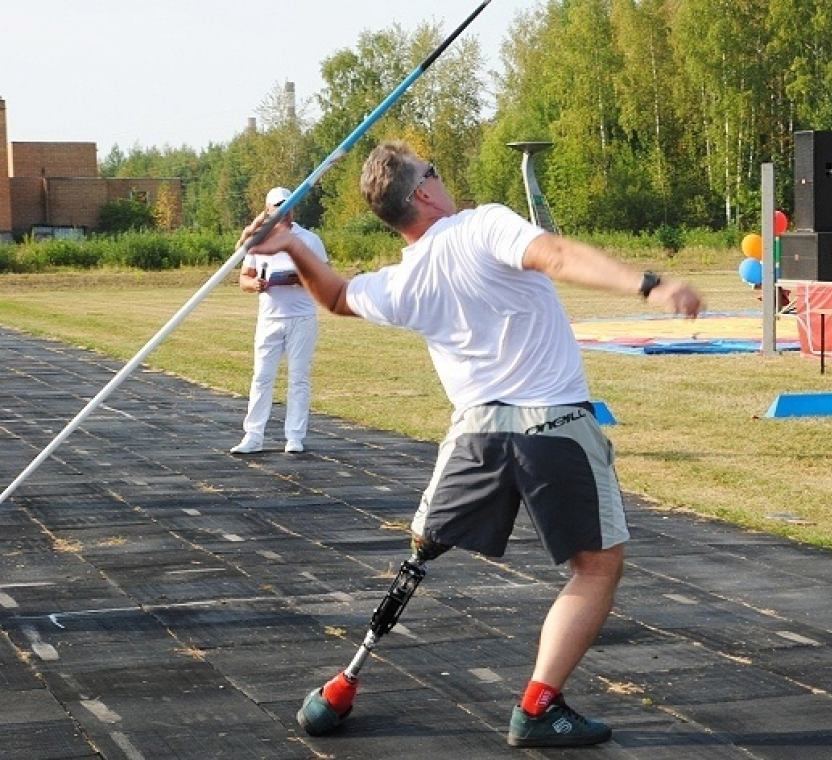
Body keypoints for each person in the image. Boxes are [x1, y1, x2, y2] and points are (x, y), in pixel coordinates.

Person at [237, 141, 704, 748]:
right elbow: (555, 254)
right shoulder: (483, 224)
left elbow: (334, 297)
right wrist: (649, 283)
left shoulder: (402, 282)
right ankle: (538, 705)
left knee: (423, 553)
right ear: (425, 193)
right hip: (552, 425)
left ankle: (346, 681)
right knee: (597, 565)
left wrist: (293, 245)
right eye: (434, 170)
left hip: (475, 436)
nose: (442, 176)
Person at [230, 187, 329, 455]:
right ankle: (253, 436)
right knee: (261, 377)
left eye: (289, 206)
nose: (284, 212)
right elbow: (243, 278)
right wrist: (256, 284)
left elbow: (323, 276)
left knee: (298, 378)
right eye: (278, 207)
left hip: (301, 317)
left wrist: (301, 278)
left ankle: (294, 436)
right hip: (270, 318)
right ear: (268, 210)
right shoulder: (258, 240)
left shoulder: (309, 239)